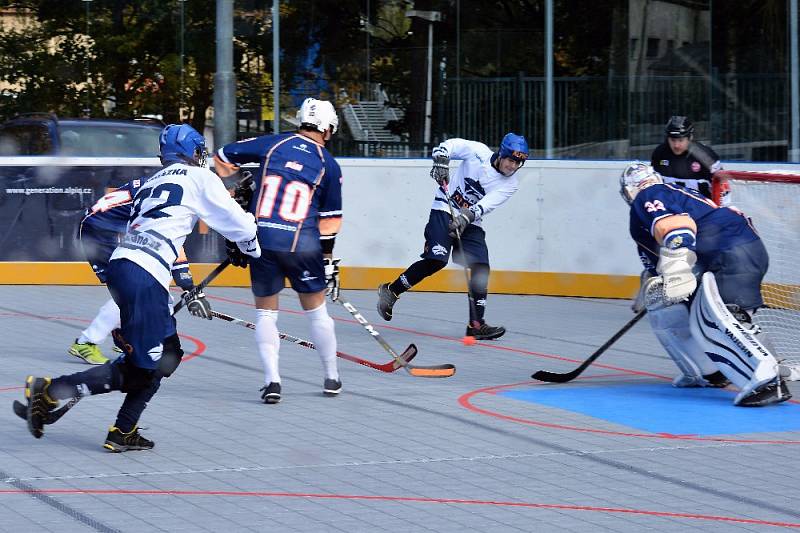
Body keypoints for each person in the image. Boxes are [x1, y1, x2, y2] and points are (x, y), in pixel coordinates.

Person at [20, 124, 260, 450]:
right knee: (143, 369)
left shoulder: (152, 181)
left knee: (168, 355)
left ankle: (122, 431)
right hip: (143, 275)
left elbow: (166, 228)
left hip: (128, 267)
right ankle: (52, 391)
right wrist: (248, 245)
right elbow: (243, 227)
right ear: (194, 153)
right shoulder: (200, 177)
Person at [621, 161, 791, 406]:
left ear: (629, 189)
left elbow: (675, 227)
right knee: (718, 316)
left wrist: (677, 263)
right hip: (739, 250)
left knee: (716, 322)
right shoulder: (679, 195)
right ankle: (713, 371)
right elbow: (656, 263)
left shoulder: (649, 193)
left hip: (725, 251)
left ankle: (767, 379)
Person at [213, 97, 344, 404]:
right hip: (303, 246)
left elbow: (222, 156)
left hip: (264, 242)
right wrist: (327, 262)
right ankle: (332, 377)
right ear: (327, 129)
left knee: (266, 313)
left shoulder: (272, 144)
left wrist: (235, 195)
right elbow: (329, 222)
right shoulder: (329, 163)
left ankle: (272, 381)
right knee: (317, 312)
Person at [376, 133, 528, 340]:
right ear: (501, 154)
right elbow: (450, 145)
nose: (513, 166)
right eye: (511, 160)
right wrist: (441, 160)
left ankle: (476, 324)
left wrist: (467, 216)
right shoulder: (478, 152)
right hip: (444, 209)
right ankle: (391, 291)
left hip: (471, 221)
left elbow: (488, 203)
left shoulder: (511, 184)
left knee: (481, 266)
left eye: (519, 163)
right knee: (436, 260)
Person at [68, 178, 198, 365]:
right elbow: (175, 248)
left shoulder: (164, 183)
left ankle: (126, 335)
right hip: (101, 232)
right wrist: (187, 284)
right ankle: (86, 342)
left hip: (104, 226)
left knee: (142, 285)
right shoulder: (175, 199)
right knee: (134, 288)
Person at [650, 116, 728, 204]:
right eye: (672, 140)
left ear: (690, 138)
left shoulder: (706, 156)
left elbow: (723, 186)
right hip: (671, 211)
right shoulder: (659, 153)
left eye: (680, 140)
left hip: (702, 211)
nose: (676, 145)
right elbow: (653, 184)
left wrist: (720, 210)